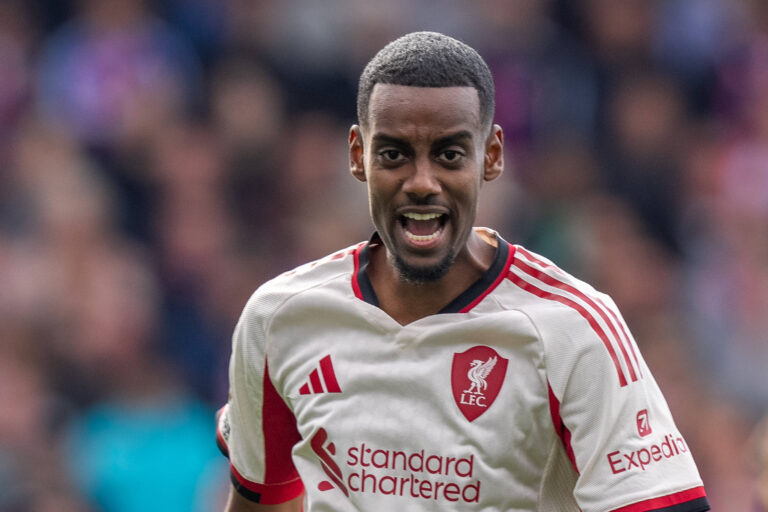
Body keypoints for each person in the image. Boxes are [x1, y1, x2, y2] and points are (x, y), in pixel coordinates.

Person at [216, 31, 710, 511]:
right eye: (394, 154)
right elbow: (261, 499)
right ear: (357, 155)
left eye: (449, 155)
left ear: (490, 156)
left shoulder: (574, 329)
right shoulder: (278, 317)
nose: (422, 182)